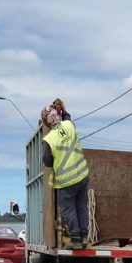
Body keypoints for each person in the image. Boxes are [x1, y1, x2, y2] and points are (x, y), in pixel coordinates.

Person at [40, 100, 90, 249]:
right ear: (58, 116)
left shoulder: (48, 140)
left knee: (69, 209)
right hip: (82, 175)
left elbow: (47, 162)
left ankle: (75, 240)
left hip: (66, 182)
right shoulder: (69, 125)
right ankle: (84, 236)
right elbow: (67, 117)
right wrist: (64, 109)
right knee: (82, 206)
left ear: (47, 123)